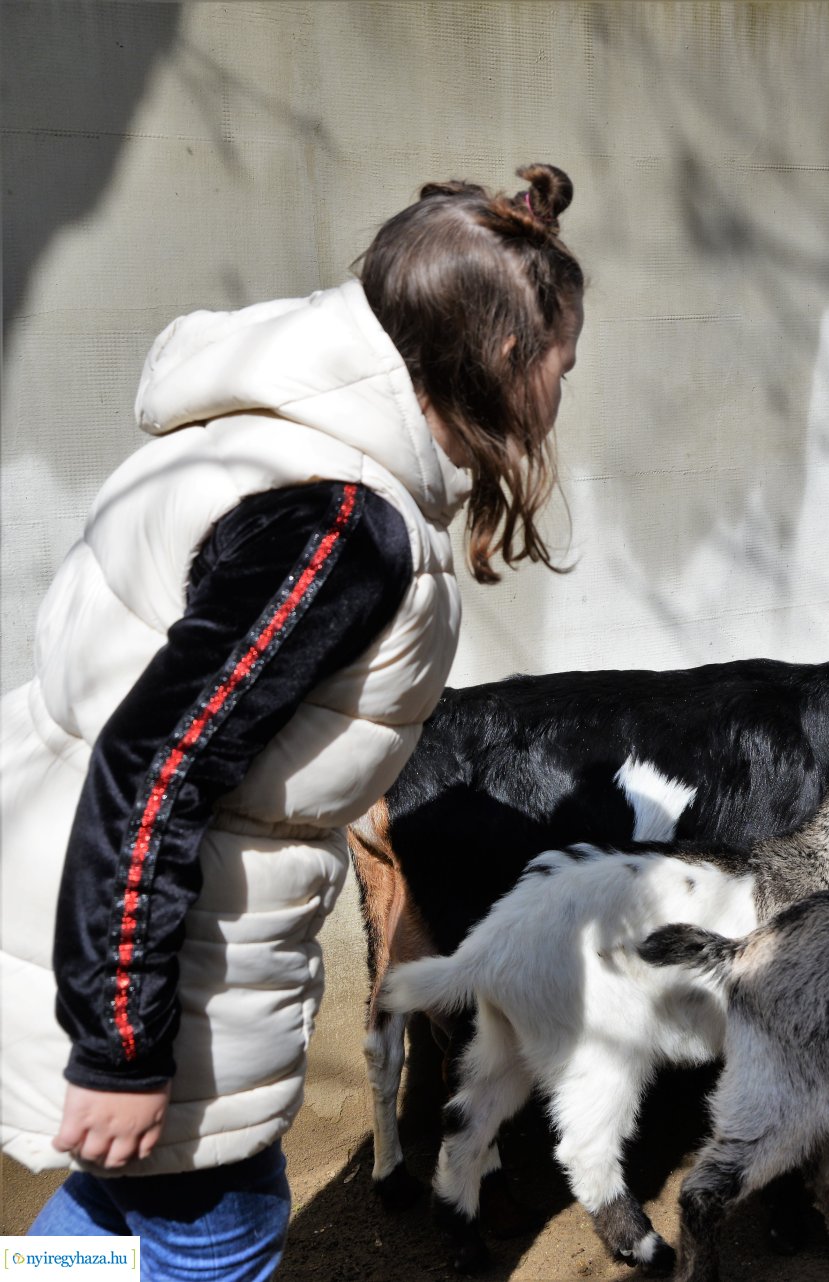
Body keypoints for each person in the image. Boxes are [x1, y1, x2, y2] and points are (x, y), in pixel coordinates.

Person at [0, 163, 586, 1279]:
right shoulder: (337, 523)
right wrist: (122, 1051)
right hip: (155, 971)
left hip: (82, 912)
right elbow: (155, 758)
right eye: (562, 366)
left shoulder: (254, 433)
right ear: (509, 361)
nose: (561, 392)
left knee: (120, 1214)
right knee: (216, 1234)